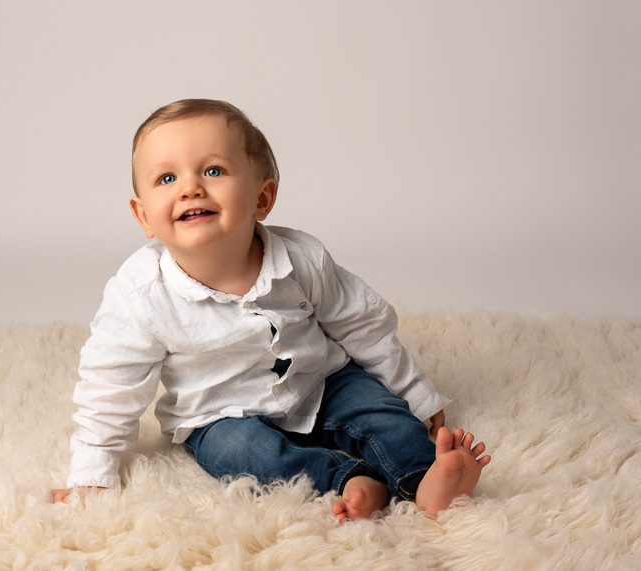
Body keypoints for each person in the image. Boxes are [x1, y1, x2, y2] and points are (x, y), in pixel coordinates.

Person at [52, 99, 490, 521]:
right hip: (218, 414)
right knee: (244, 457)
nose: (190, 187)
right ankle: (351, 481)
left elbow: (364, 325)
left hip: (320, 381)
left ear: (263, 198)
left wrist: (413, 391)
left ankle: (426, 477)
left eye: (213, 170)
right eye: (166, 178)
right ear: (143, 215)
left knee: (381, 411)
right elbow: (110, 384)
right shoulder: (140, 294)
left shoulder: (302, 258)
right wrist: (93, 470)